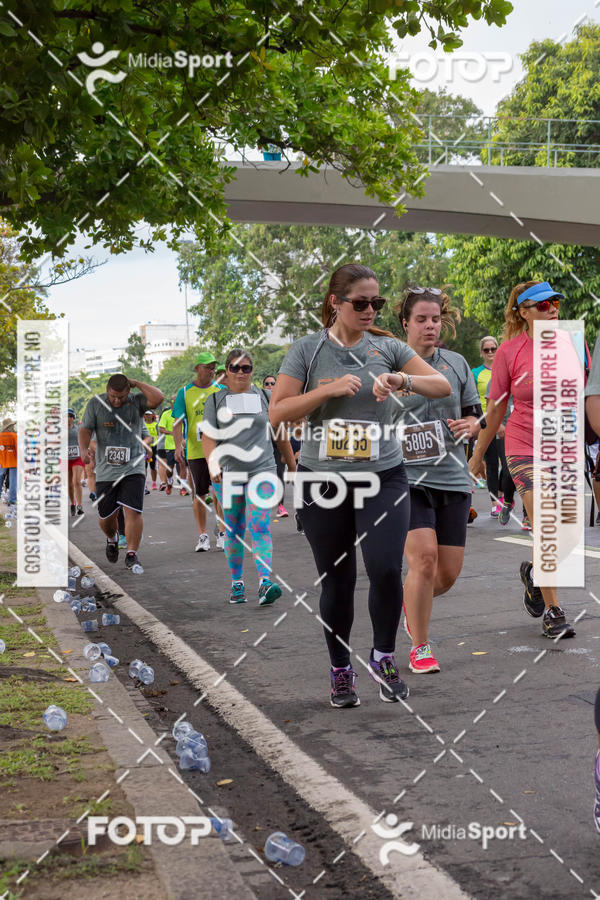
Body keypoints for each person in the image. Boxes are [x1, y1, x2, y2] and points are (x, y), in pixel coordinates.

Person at [270, 263, 451, 708]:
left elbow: (441, 385)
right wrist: (326, 391)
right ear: (336, 302)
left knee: (386, 568)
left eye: (377, 302)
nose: (370, 310)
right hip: (323, 480)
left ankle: (383, 656)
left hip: (383, 475)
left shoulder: (386, 347)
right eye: (361, 302)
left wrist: (401, 379)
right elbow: (277, 413)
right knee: (338, 580)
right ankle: (340, 670)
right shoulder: (308, 350)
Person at [469, 280, 576, 638]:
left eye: (555, 302)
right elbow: (496, 410)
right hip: (523, 445)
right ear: (524, 312)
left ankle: (533, 573)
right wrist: (478, 455)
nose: (553, 309)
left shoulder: (572, 343)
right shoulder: (509, 352)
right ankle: (554, 610)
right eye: (543, 305)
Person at [393, 287, 481, 675]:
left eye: (435, 319)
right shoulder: (387, 364)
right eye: (421, 319)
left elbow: (474, 415)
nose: (430, 326)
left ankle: (409, 602)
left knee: (445, 575)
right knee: (424, 558)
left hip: (452, 476)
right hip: (405, 476)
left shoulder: (456, 364)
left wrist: (472, 426)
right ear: (405, 323)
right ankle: (420, 646)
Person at [202, 348, 296, 605]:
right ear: (226, 371)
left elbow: (279, 434)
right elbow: (208, 437)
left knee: (260, 525)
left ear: (252, 370)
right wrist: (212, 465)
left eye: (246, 368)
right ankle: (237, 583)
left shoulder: (265, 396)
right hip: (229, 473)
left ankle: (265, 582)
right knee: (234, 529)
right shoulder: (215, 400)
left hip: (262, 470)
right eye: (235, 367)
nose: (241, 372)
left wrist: (292, 465)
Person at [79, 373, 164, 570]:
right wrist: (84, 449)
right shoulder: (96, 404)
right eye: (113, 396)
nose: (117, 401)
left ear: (129, 391)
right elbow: (85, 430)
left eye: (121, 397)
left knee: (133, 511)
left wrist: (136, 382)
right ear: (107, 391)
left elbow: (158, 398)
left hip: (133, 467)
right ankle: (112, 538)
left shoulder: (137, 401)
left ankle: (132, 554)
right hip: (106, 470)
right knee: (106, 517)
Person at [173, 351, 226, 552]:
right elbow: (177, 422)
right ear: (197, 368)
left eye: (213, 367)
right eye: (207, 367)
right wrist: (177, 445)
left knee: (219, 491)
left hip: (218, 449)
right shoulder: (184, 393)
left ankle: (222, 532)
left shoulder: (220, 390)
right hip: (195, 451)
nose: (211, 371)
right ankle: (203, 535)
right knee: (200, 494)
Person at [472, 336, 505, 516]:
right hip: (486, 423)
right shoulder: (475, 373)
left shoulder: (505, 369)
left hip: (505, 422)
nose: (490, 352)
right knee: (491, 464)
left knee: (507, 465)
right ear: (481, 352)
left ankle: (503, 492)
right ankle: (495, 502)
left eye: (493, 349)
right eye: (487, 350)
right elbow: (472, 399)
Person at [263, 374, 289, 518]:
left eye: (273, 383)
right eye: (267, 383)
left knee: (279, 472)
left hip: (278, 441)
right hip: (263, 442)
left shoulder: (281, 401)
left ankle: (280, 506)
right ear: (263, 386)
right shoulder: (260, 400)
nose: (270, 386)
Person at [157, 396, 177, 494]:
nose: (175, 403)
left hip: (182, 445)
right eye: (173, 401)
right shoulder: (166, 414)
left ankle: (183, 486)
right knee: (169, 468)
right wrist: (171, 432)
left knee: (183, 466)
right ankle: (168, 481)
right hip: (169, 446)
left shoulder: (184, 413)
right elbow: (161, 429)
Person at [67, 409, 84, 516]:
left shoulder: (78, 429)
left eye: (70, 416)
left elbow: (84, 440)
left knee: (77, 481)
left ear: (73, 418)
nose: (68, 418)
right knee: (69, 485)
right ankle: (72, 503)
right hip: (65, 459)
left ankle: (79, 506)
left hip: (77, 457)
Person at [0, 419, 17, 509]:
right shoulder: (14, 436)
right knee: (13, 480)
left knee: (0, 477)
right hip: (13, 460)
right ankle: (12, 500)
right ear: (10, 426)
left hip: (2, 460)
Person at [143, 410, 159, 492]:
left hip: (153, 447)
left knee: (153, 466)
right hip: (144, 447)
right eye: (146, 414)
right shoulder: (143, 424)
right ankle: (144, 484)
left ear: (152, 416)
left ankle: (154, 483)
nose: (148, 416)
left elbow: (159, 435)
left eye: (149, 415)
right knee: (144, 466)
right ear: (144, 416)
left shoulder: (155, 424)